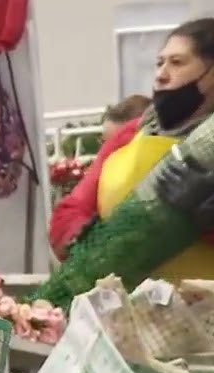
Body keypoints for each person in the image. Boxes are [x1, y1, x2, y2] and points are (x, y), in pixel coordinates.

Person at [49, 18, 214, 278]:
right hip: (121, 308)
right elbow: (72, 206)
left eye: (177, 63)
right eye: (160, 63)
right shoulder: (131, 133)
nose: (161, 74)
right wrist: (78, 238)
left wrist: (206, 216)